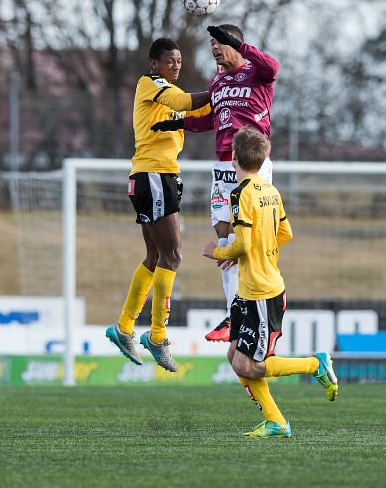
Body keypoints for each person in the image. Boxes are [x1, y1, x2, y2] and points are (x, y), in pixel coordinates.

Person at [202, 127, 337, 438]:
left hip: (262, 292)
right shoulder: (270, 191)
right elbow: (285, 233)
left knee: (250, 365)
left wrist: (217, 251)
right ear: (263, 161)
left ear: (233, 157)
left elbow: (243, 245)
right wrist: (258, 252)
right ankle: (277, 421)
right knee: (235, 357)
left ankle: (314, 365)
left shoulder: (240, 194)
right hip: (250, 289)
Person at [153, 25, 279, 343]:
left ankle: (257, 303)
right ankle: (232, 313)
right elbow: (213, 117)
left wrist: (238, 45)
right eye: (211, 43)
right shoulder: (218, 81)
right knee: (223, 234)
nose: (214, 48)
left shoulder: (257, 72)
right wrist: (179, 121)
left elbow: (273, 67)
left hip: (252, 163)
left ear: (234, 43)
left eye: (219, 43)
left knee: (244, 234)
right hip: (223, 164)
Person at [104, 38, 210, 372]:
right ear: (155, 64)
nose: (176, 65)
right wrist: (223, 89)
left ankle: (123, 326)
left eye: (179, 61)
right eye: (170, 61)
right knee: (173, 256)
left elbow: (200, 108)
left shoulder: (170, 97)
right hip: (153, 175)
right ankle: (158, 336)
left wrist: (228, 95)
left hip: (157, 177)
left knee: (155, 257)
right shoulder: (151, 85)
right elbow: (185, 99)